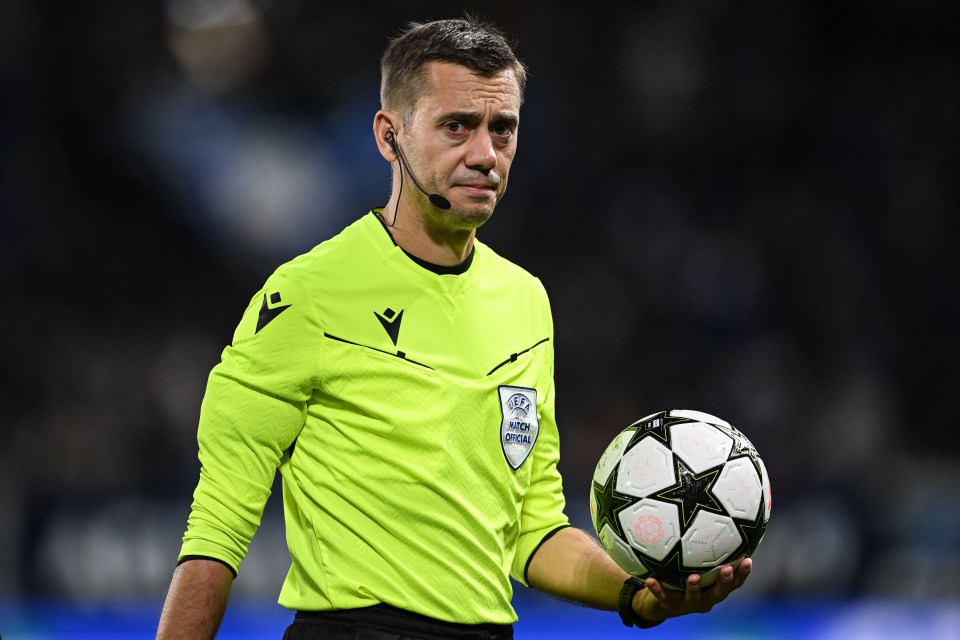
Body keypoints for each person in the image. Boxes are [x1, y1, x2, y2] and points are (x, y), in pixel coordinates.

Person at [156, 16, 752, 640]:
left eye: (503, 130)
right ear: (390, 137)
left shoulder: (524, 301)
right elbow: (218, 528)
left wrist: (640, 598)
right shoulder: (305, 296)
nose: (485, 155)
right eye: (456, 127)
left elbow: (532, 528)